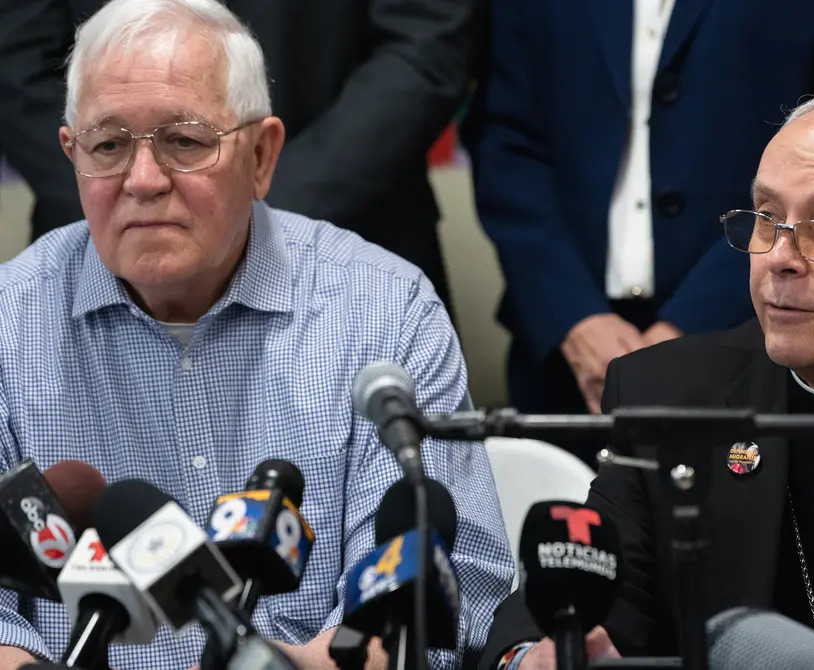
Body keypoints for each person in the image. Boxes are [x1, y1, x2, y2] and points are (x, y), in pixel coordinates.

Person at [0, 1, 513, 668]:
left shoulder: (384, 313)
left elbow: (436, 602)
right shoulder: (12, 325)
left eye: (184, 141)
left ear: (262, 154)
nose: (144, 180)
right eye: (108, 145)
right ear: (73, 153)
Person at [480, 89, 814, 670]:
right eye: (766, 218)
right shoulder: (669, 397)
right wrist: (533, 655)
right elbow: (593, 596)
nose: (780, 256)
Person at [462, 0, 814, 463]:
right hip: (569, 361)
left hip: (766, 340)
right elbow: (505, 143)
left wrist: (693, 326)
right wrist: (575, 319)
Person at [0, 0, 476, 310]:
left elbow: (425, 41)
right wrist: (111, 179)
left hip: (355, 240)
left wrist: (247, 202)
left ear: (264, 153)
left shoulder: (397, 304)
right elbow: (17, 57)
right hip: (100, 264)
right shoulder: (15, 321)